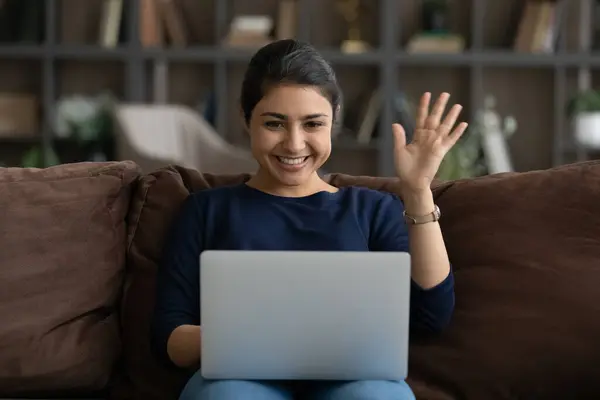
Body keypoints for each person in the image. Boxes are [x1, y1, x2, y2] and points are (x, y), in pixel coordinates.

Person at [151, 39, 468, 400]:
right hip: (238, 380)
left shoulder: (373, 210)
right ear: (246, 118)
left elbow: (430, 319)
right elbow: (168, 338)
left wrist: (418, 191)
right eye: (275, 124)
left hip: (354, 383)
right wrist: (240, 336)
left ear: (333, 121)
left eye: (313, 124)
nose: (295, 143)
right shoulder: (205, 210)